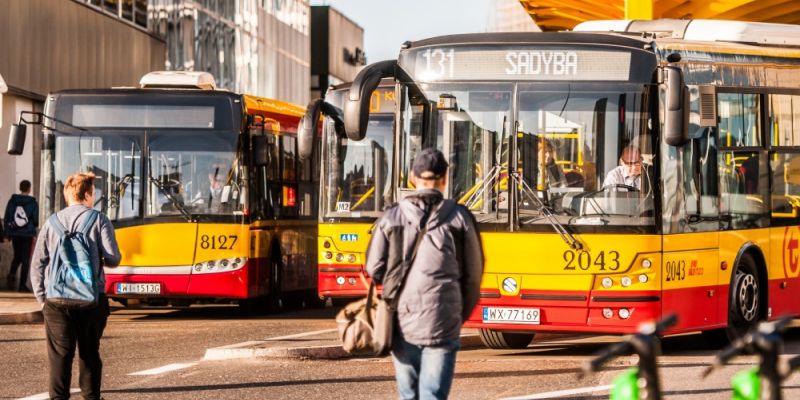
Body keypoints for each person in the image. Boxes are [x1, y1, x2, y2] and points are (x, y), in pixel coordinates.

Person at [365, 148, 484, 400]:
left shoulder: (391, 217)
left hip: (401, 318)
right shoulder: (459, 218)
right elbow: (474, 275)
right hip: (444, 318)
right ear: (444, 179)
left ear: (412, 177)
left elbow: (374, 268)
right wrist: (458, 314)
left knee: (409, 395)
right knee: (433, 395)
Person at [30, 172, 121, 400]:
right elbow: (113, 258)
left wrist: (42, 299)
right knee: (89, 354)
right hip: (92, 299)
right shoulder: (99, 219)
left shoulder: (51, 223)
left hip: (56, 301)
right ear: (88, 194)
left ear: (67, 194)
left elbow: (37, 265)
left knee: (60, 357)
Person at [4, 180, 39, 291]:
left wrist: (7, 232)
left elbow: (7, 217)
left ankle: (11, 275)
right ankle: (22, 286)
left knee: (17, 256)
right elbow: (36, 220)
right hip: (27, 234)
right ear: (29, 188)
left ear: (20, 188)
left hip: (15, 233)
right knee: (25, 259)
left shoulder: (12, 201)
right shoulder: (33, 203)